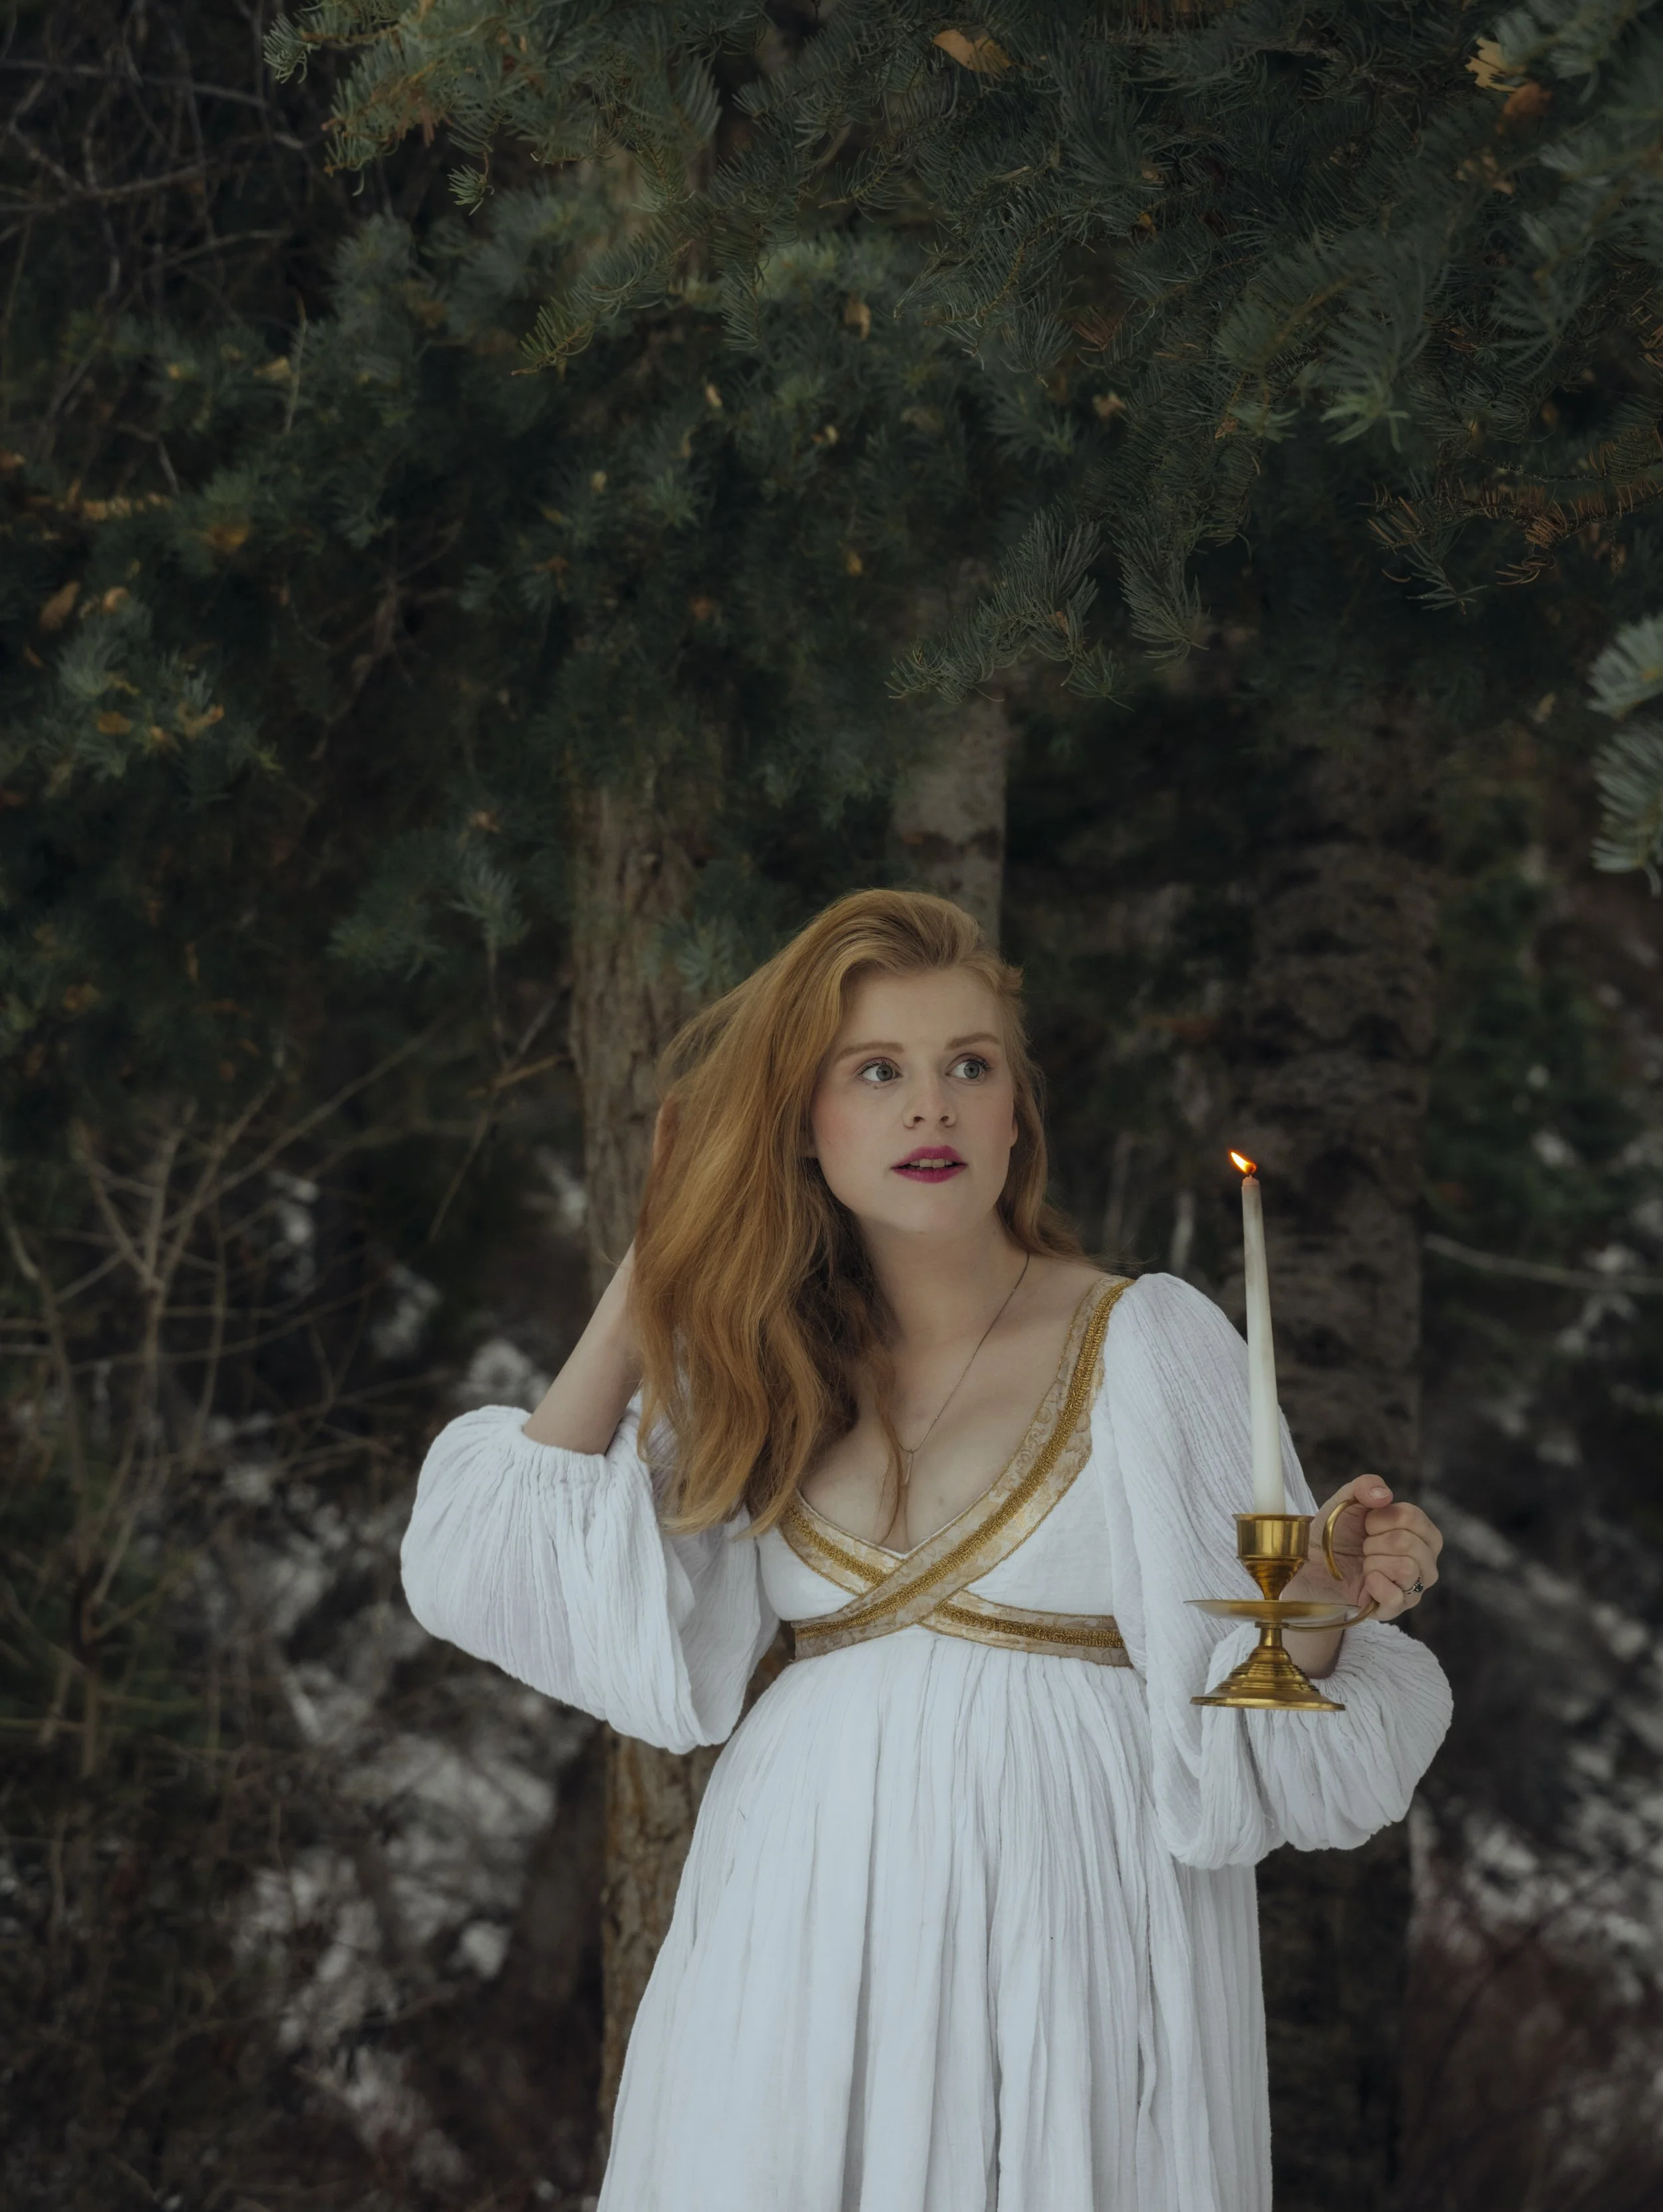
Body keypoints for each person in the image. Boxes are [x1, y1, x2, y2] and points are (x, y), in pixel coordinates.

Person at [401, 889, 1449, 2212]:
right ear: (803, 1124)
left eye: (969, 1066)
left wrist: (1315, 1598)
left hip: (1073, 1934)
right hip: (792, 1936)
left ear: (1017, 1110)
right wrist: (652, 1266)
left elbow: (1247, 1734)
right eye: (876, 1073)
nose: (931, 1109)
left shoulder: (1148, 1341)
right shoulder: (760, 1364)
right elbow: (499, 1571)